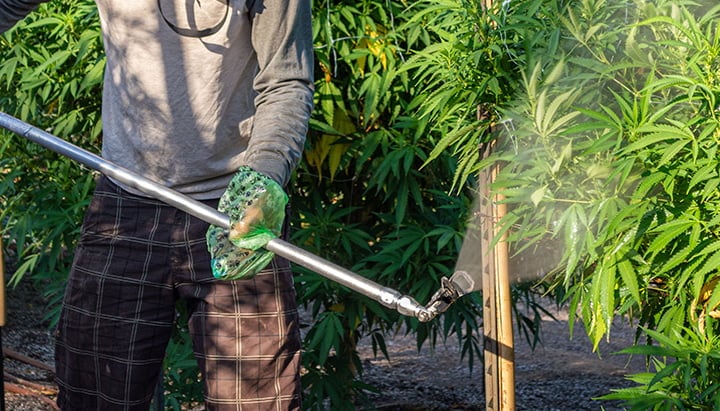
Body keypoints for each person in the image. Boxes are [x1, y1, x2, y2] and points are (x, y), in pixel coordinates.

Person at [0, 0, 314, 409]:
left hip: (234, 211)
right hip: (125, 203)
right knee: (94, 392)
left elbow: (286, 81)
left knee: (257, 400)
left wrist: (265, 177)